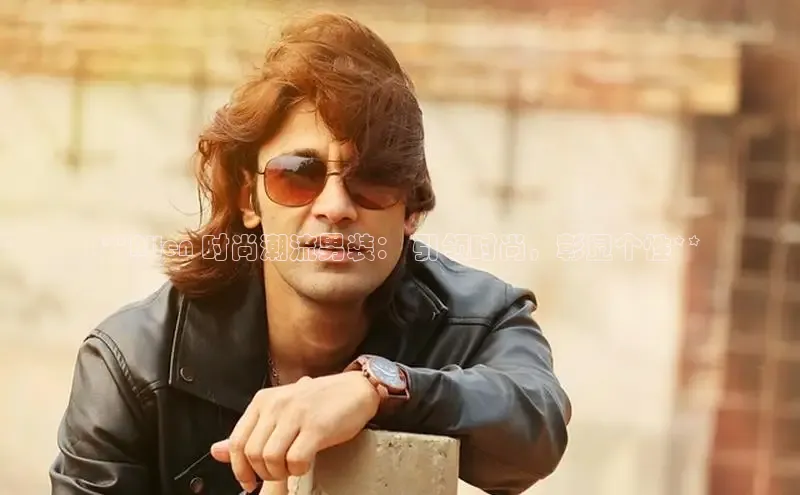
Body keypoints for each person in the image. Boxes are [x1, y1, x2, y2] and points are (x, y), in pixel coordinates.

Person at [49, 12, 571, 495]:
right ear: (248, 199)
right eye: (297, 175)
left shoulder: (477, 317)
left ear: (410, 209)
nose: (335, 207)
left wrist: (379, 388)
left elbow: (538, 425)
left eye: (373, 179)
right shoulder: (133, 363)